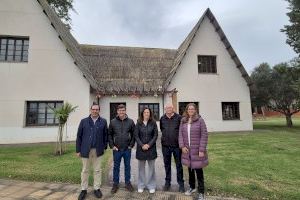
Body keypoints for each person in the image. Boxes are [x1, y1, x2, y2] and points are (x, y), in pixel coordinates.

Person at [76, 103, 108, 200]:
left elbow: (105, 135)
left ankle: (97, 188)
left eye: (97, 109)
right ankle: (83, 189)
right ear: (90, 110)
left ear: (99, 110)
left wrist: (104, 146)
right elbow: (79, 136)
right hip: (85, 150)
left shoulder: (103, 121)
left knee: (97, 170)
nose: (95, 111)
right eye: (93, 109)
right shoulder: (84, 121)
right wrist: (78, 150)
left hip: (98, 150)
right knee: (85, 170)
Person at [178, 103, 209, 200]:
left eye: (192, 109)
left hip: (197, 150)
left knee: (199, 171)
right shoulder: (183, 121)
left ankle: (201, 192)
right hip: (187, 151)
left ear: (195, 110)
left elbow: (204, 135)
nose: (190, 110)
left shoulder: (200, 121)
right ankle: (192, 187)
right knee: (190, 169)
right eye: (189, 109)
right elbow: (180, 135)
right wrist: (182, 146)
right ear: (187, 110)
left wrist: (201, 149)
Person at [108, 104, 135, 194]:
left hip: (127, 149)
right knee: (116, 167)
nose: (121, 112)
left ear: (125, 111)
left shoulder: (130, 122)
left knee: (127, 167)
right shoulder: (113, 122)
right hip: (117, 149)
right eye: (120, 110)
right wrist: (112, 146)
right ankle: (115, 184)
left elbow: (134, 134)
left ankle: (128, 183)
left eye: (123, 110)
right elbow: (109, 135)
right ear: (117, 111)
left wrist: (131, 145)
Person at [160, 103, 185, 192]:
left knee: (179, 165)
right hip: (165, 146)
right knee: (167, 165)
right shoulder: (162, 118)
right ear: (165, 109)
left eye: (170, 107)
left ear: (173, 108)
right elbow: (162, 129)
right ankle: (167, 183)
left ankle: (181, 184)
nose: (169, 109)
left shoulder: (179, 118)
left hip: (177, 146)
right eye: (167, 108)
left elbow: (182, 131)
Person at [134, 107, 158, 194]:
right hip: (141, 149)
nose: (147, 114)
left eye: (148, 112)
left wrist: (149, 145)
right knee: (141, 169)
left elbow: (155, 135)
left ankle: (151, 186)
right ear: (142, 114)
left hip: (151, 149)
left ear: (150, 113)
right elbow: (136, 136)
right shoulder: (138, 123)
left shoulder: (153, 123)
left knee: (151, 169)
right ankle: (141, 185)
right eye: (145, 112)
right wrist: (142, 145)